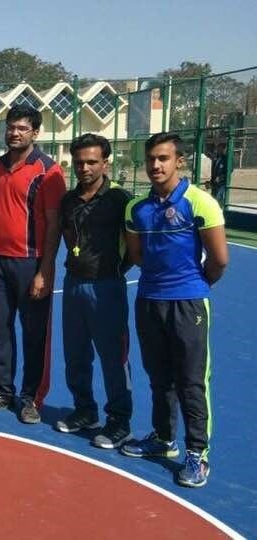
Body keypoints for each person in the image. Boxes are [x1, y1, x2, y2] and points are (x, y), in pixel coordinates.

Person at [121, 132, 229, 488]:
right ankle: (163, 439)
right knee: (159, 376)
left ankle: (198, 453)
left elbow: (219, 260)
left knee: (192, 380)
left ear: (179, 161)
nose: (155, 165)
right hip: (149, 301)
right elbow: (136, 256)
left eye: (163, 158)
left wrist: (193, 288)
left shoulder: (201, 202)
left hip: (188, 303)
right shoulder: (137, 208)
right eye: (151, 158)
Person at [0, 104, 66, 424]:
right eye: (11, 127)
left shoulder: (48, 171)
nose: (14, 133)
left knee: (34, 334)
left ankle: (31, 398)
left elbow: (54, 224)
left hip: (30, 262)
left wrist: (45, 270)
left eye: (22, 128)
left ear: (35, 133)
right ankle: (1, 390)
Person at [55, 134, 134, 449]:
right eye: (79, 162)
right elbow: (65, 236)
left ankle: (119, 421)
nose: (84, 168)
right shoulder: (68, 200)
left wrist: (114, 271)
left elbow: (133, 248)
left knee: (113, 357)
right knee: (76, 354)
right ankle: (84, 411)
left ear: (105, 162)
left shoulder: (120, 199)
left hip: (107, 288)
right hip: (73, 284)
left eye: (91, 162)